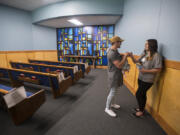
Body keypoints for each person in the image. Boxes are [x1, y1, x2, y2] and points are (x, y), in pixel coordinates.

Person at [129, 39, 162, 117]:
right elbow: (136, 61)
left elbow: (158, 69)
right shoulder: (144, 53)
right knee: (142, 94)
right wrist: (131, 56)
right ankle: (141, 109)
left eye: (147, 44)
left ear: (152, 45)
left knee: (138, 94)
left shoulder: (157, 55)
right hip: (141, 77)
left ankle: (141, 111)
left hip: (148, 80)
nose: (145, 45)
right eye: (145, 44)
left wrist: (145, 71)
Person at [105, 36, 130, 117]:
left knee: (115, 90)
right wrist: (125, 56)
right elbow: (119, 65)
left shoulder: (114, 50)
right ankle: (107, 108)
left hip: (116, 73)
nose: (121, 43)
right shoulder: (111, 53)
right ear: (115, 43)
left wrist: (124, 54)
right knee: (112, 91)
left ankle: (112, 104)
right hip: (114, 75)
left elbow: (118, 55)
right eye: (119, 42)